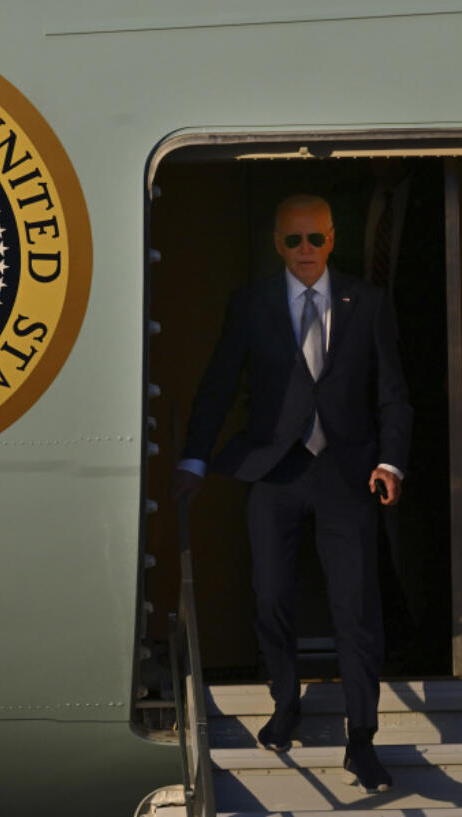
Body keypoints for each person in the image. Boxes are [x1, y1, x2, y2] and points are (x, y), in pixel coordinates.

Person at [172, 194, 412, 791]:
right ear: (277, 243)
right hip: (274, 471)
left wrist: (390, 463)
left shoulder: (367, 302)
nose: (306, 251)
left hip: (346, 471)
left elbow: (393, 393)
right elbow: (218, 385)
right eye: (293, 241)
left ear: (333, 239)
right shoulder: (252, 305)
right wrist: (195, 459)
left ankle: (362, 740)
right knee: (270, 595)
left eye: (316, 239)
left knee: (356, 608)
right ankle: (285, 703)